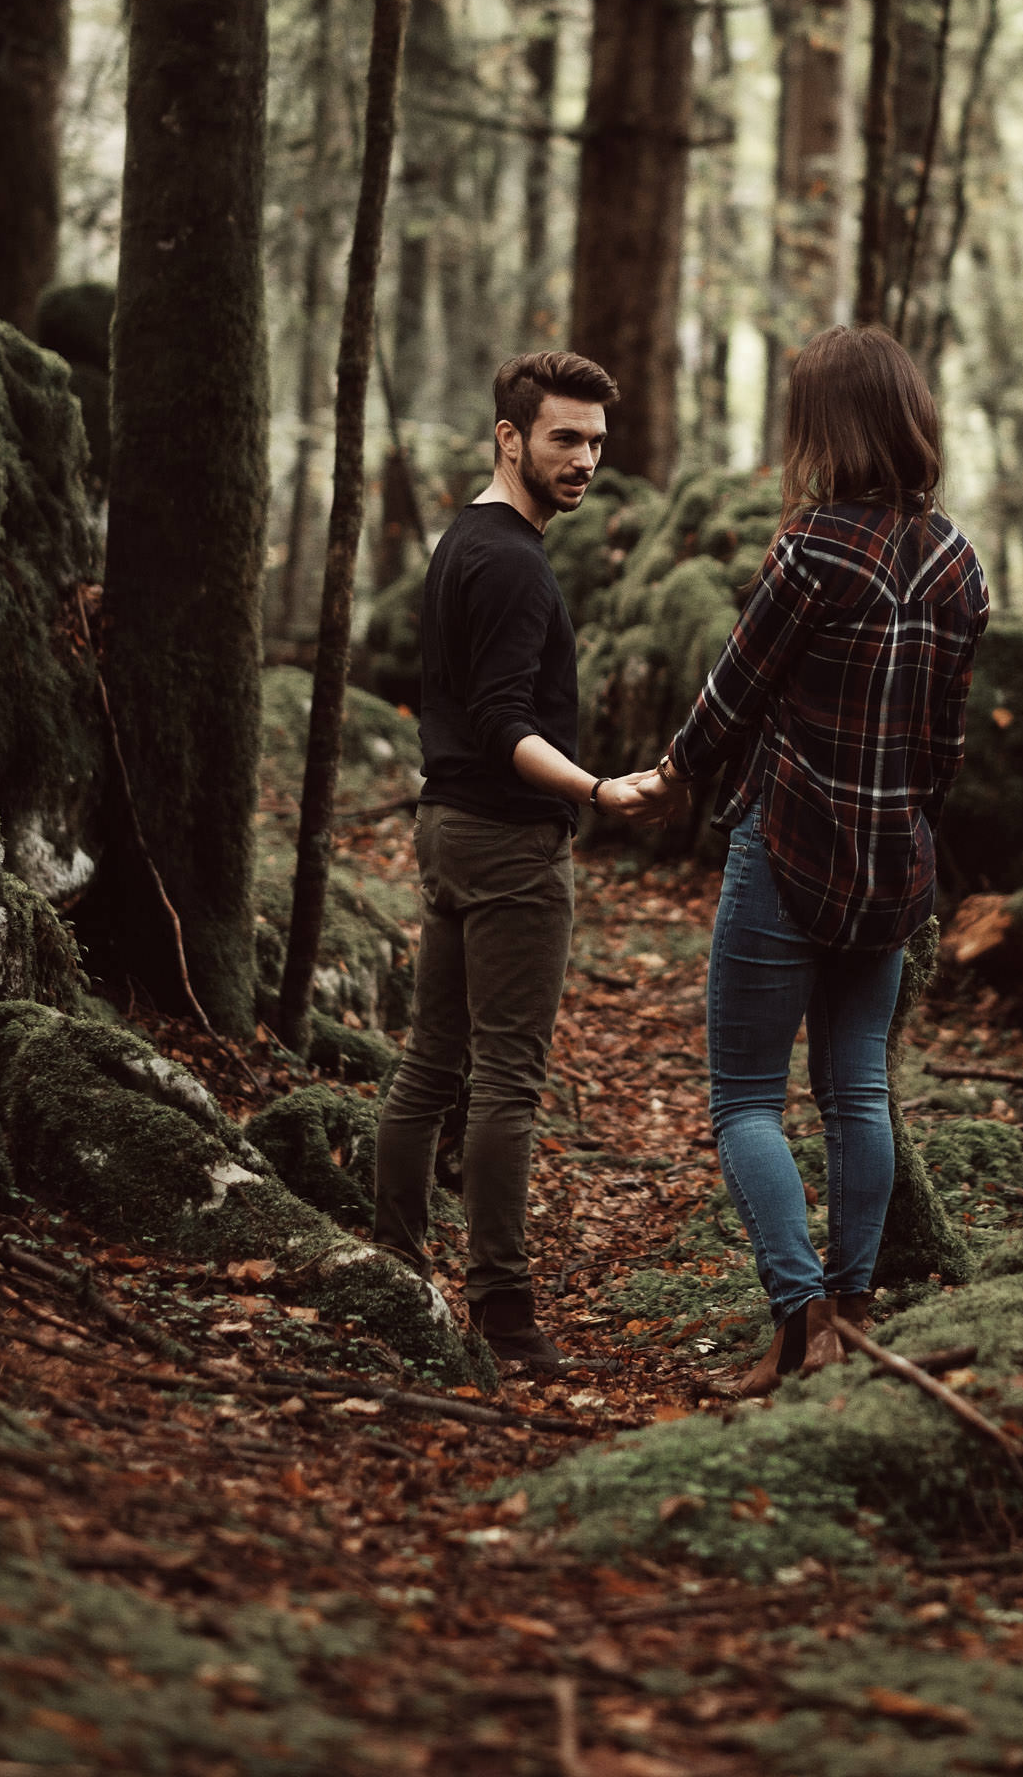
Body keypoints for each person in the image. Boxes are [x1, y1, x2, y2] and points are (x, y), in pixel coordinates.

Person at [640, 326, 989, 1395]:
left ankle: (799, 1321)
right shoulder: (960, 563)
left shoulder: (812, 550)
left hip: (787, 847)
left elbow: (731, 695)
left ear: (828, 426)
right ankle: (855, 1311)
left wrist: (672, 771)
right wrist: (907, 840)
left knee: (745, 1098)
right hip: (894, 864)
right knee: (859, 1093)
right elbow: (943, 747)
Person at [374, 348, 656, 1374]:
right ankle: (502, 1309)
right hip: (504, 844)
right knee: (503, 1081)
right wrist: (597, 788)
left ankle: (393, 1267)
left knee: (430, 1062)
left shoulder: (465, 540)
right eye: (563, 439)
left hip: (448, 830)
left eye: (594, 441)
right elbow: (498, 721)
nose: (583, 459)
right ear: (509, 437)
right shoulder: (515, 564)